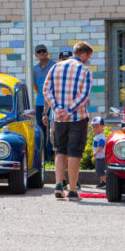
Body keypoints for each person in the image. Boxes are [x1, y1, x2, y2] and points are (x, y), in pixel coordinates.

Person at [43, 42, 93, 201]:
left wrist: (58, 109)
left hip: (59, 118)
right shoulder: (85, 71)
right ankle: (72, 190)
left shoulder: (55, 67)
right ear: (83, 54)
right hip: (77, 118)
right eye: (88, 56)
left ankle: (58, 185)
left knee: (61, 151)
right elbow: (84, 95)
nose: (88, 60)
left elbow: (46, 90)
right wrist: (69, 110)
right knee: (74, 153)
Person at [91, 117, 107, 189]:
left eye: (97, 127)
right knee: (98, 170)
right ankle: (101, 182)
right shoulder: (97, 135)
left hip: (100, 157)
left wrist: (96, 153)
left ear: (102, 126)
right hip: (98, 157)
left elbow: (101, 146)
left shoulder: (101, 136)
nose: (94, 129)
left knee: (100, 170)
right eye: (93, 127)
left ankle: (104, 182)